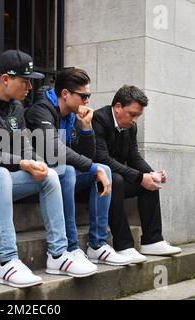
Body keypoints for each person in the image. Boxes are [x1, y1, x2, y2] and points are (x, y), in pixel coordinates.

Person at [0, 50, 97, 288]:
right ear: (5, 79)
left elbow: (25, 147)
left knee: (50, 174)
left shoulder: (16, 107)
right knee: (0, 174)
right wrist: (20, 163)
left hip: (1, 180)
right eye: (24, 80)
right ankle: (7, 262)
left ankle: (58, 255)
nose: (29, 86)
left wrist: (37, 163)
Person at [26, 68, 132, 266]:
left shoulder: (73, 116)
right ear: (65, 94)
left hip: (62, 178)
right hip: (38, 179)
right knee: (70, 171)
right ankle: (71, 247)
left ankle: (97, 245)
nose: (87, 101)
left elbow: (86, 156)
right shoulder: (40, 110)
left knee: (104, 169)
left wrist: (86, 127)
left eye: (89, 96)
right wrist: (93, 168)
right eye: (84, 96)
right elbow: (54, 150)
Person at [92, 85, 182, 263]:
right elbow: (102, 159)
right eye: (132, 114)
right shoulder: (99, 120)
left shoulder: (130, 127)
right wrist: (141, 177)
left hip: (114, 179)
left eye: (138, 115)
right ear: (118, 107)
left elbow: (133, 156)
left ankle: (152, 240)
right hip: (94, 180)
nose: (135, 120)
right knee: (116, 179)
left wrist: (151, 173)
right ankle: (124, 245)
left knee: (149, 184)